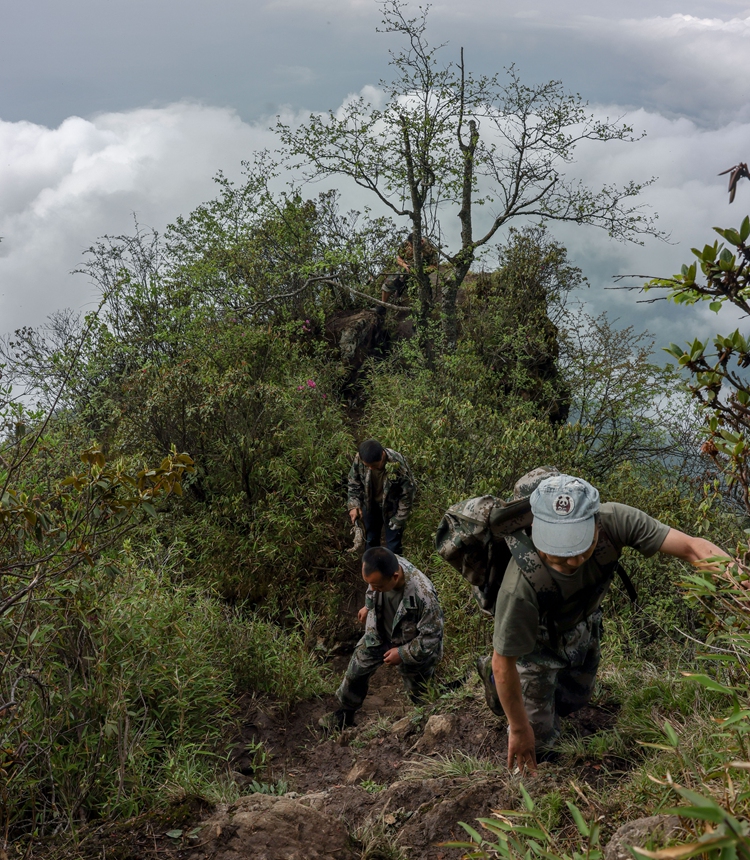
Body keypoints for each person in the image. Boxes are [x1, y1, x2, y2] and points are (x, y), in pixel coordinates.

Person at [475, 473, 728, 772]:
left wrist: (739, 581)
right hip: (535, 646)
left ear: (595, 523)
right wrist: (519, 729)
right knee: (538, 741)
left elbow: (691, 547)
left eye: (580, 545)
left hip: (581, 623)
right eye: (558, 552)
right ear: (535, 529)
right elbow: (503, 662)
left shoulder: (614, 520)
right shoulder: (519, 588)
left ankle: (541, 699)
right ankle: (501, 696)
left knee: (574, 701)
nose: (572, 560)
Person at [319, 546, 444, 730]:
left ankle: (427, 723)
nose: (372, 588)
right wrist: (367, 606)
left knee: (421, 693)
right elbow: (371, 589)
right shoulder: (380, 569)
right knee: (355, 672)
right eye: (369, 584)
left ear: (394, 577)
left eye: (378, 586)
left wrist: (402, 653)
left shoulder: (423, 594)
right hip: (377, 634)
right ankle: (345, 714)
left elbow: (431, 638)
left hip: (411, 643)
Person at [347, 439, 416, 554]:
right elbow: (354, 482)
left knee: (393, 546)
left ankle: (393, 570)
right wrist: (354, 505)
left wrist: (399, 518)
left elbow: (407, 494)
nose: (370, 468)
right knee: (371, 541)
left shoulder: (398, 463)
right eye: (367, 466)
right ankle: (372, 570)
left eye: (374, 465)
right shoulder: (360, 458)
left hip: (392, 508)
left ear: (382, 455)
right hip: (370, 506)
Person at [381, 232, 439, 305]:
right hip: (405, 269)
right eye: (410, 245)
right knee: (389, 282)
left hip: (421, 273)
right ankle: (382, 306)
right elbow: (398, 258)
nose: (410, 246)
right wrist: (405, 265)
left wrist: (421, 271)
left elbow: (434, 266)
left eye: (411, 246)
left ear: (421, 242)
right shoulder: (406, 244)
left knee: (423, 288)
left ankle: (426, 306)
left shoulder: (430, 249)